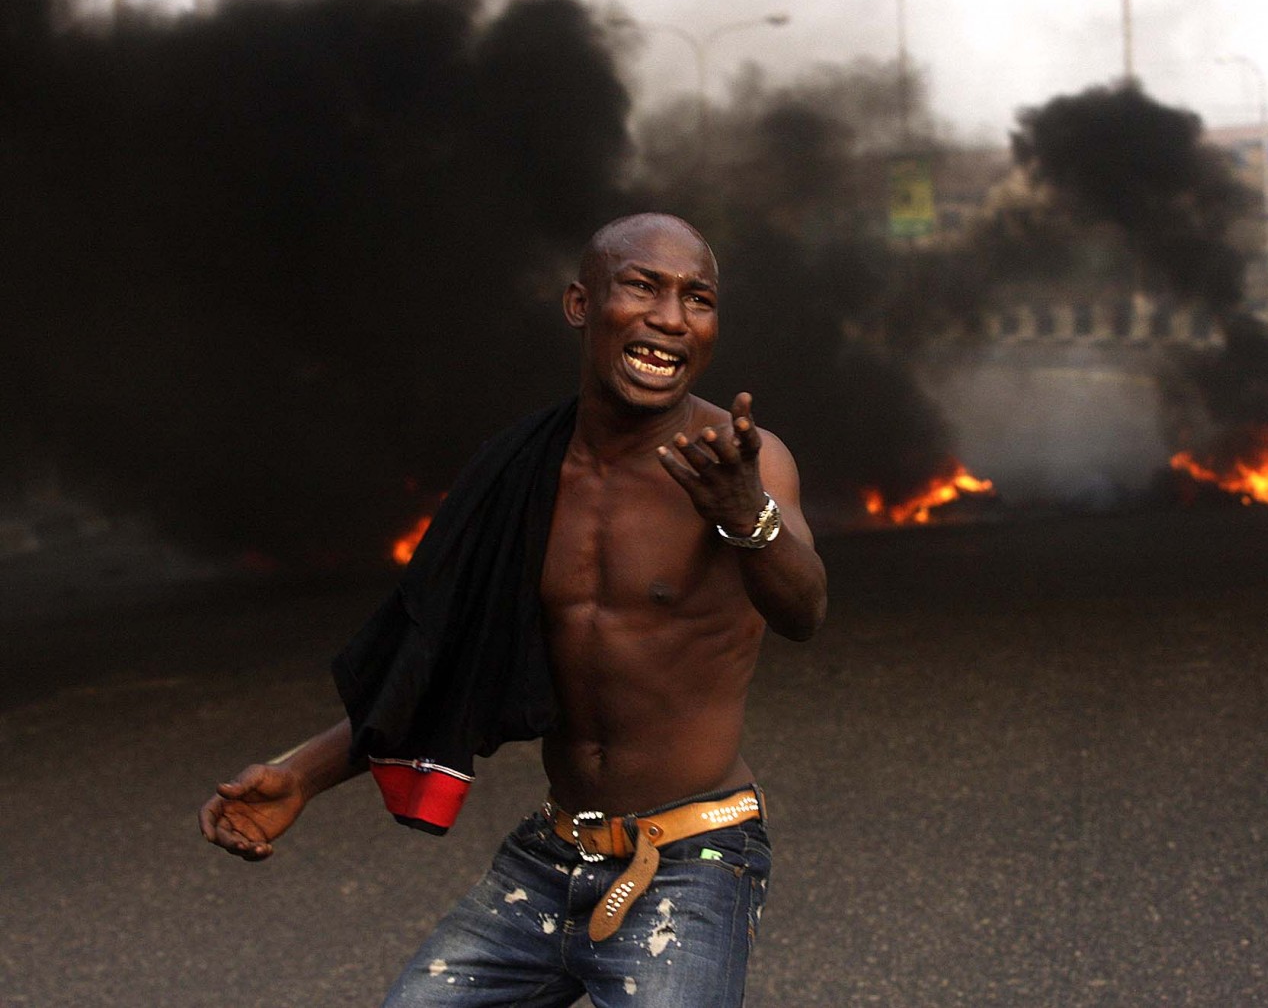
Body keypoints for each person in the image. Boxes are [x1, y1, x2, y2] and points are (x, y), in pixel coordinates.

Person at [199, 213, 828, 1007]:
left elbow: (805, 608)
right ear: (579, 304)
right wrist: (301, 773)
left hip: (695, 853)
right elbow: (441, 661)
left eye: (697, 298)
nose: (671, 318)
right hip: (551, 852)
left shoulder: (744, 460)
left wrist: (747, 515)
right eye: (643, 286)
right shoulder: (518, 475)